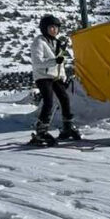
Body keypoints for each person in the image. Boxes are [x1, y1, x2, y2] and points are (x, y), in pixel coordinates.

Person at [30, 14, 81, 145]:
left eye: (56, 27)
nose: (54, 30)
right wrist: (54, 61)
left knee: (65, 99)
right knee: (48, 101)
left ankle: (67, 128)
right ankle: (41, 131)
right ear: (44, 28)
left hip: (56, 76)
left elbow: (60, 63)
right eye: (51, 27)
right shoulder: (39, 42)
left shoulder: (57, 42)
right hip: (43, 76)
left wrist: (63, 76)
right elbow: (37, 62)